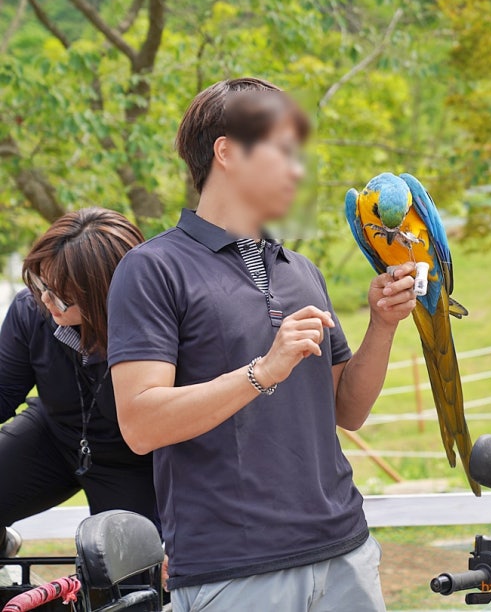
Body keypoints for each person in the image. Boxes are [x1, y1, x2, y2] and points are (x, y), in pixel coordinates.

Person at [108, 77, 417, 611]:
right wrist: (262, 372)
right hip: (234, 570)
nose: (297, 168)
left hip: (346, 551)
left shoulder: (302, 270)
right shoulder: (151, 270)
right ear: (227, 152)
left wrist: (382, 324)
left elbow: (349, 410)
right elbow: (139, 423)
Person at [0, 208, 157, 557]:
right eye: (41, 284)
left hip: (131, 464)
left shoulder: (158, 330)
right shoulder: (32, 310)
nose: (45, 300)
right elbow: (3, 391)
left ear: (105, 292)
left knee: (124, 583)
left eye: (61, 295)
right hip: (51, 436)